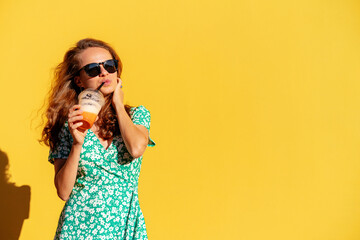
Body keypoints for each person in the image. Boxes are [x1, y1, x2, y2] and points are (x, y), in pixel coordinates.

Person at [41, 38, 155, 239]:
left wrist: (118, 104)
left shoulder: (137, 116)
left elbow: (137, 148)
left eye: (110, 66)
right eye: (93, 69)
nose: (104, 73)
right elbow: (63, 192)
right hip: (78, 229)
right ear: (79, 80)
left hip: (125, 226)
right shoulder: (69, 123)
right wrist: (77, 144)